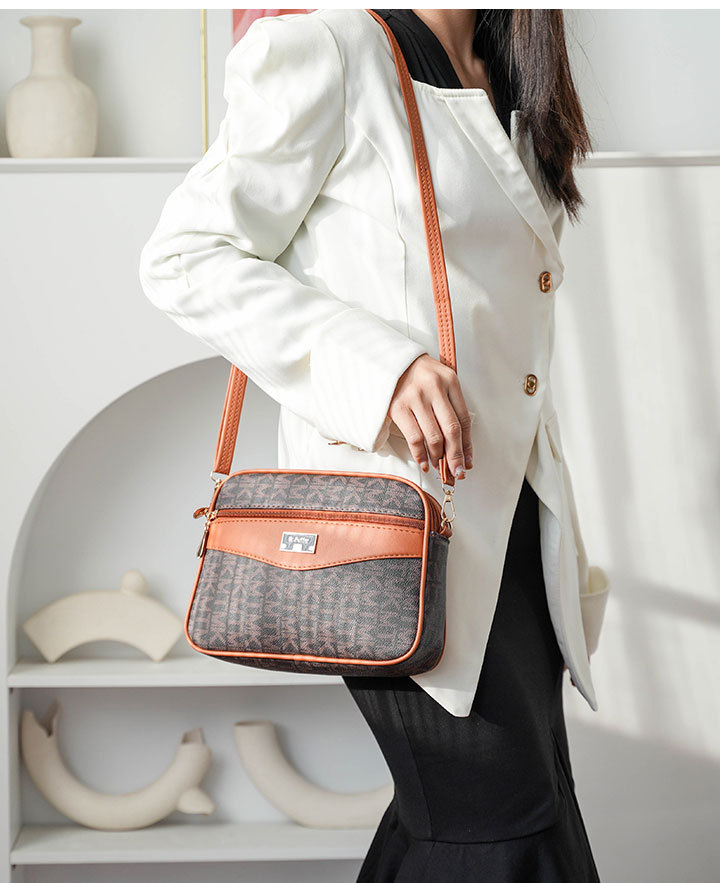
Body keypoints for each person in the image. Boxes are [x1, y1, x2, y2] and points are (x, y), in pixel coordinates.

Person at [139, 8, 610, 881]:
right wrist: (382, 369)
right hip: (395, 542)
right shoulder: (329, 49)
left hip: (513, 532)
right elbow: (186, 257)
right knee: (492, 826)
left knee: (515, 808)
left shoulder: (509, 70)